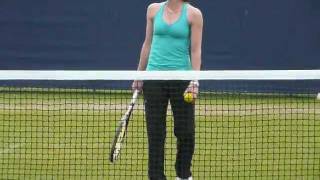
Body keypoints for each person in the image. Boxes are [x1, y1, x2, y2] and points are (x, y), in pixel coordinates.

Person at [132, 0, 203, 179]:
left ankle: (183, 174)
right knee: (155, 133)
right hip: (154, 79)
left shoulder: (194, 14)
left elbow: (196, 51)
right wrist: (140, 74)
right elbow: (147, 44)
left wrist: (195, 81)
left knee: (186, 132)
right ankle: (156, 176)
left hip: (181, 80)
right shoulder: (153, 10)